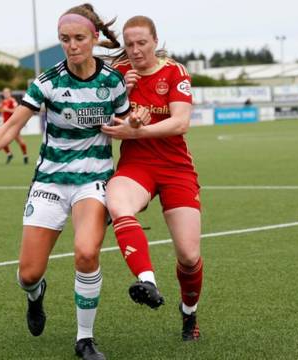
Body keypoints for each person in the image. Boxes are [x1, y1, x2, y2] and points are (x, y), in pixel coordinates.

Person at [0, 4, 146, 359]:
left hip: (94, 180)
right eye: (64, 39)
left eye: (78, 38)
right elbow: (11, 126)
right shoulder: (47, 82)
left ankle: (84, 339)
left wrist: (130, 126)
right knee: (28, 273)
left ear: (95, 39)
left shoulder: (113, 82)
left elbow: (125, 131)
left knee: (87, 253)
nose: (71, 46)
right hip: (50, 182)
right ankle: (35, 295)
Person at [100, 15, 203, 342]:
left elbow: (180, 122)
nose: (135, 50)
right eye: (129, 44)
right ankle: (147, 281)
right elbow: (107, 124)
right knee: (116, 201)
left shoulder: (175, 72)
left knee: (188, 256)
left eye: (141, 43)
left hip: (175, 168)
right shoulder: (118, 76)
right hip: (137, 166)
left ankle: (189, 313)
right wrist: (124, 114)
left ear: (155, 41)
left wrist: (138, 129)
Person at [0, 87, 29, 164]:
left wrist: (7, 109)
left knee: (19, 141)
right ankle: (9, 154)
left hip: (13, 125)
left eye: (7, 92)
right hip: (5, 125)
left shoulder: (12, 100)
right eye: (4, 93)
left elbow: (16, 110)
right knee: (0, 141)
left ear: (10, 93)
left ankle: (25, 155)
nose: (5, 94)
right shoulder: (3, 101)